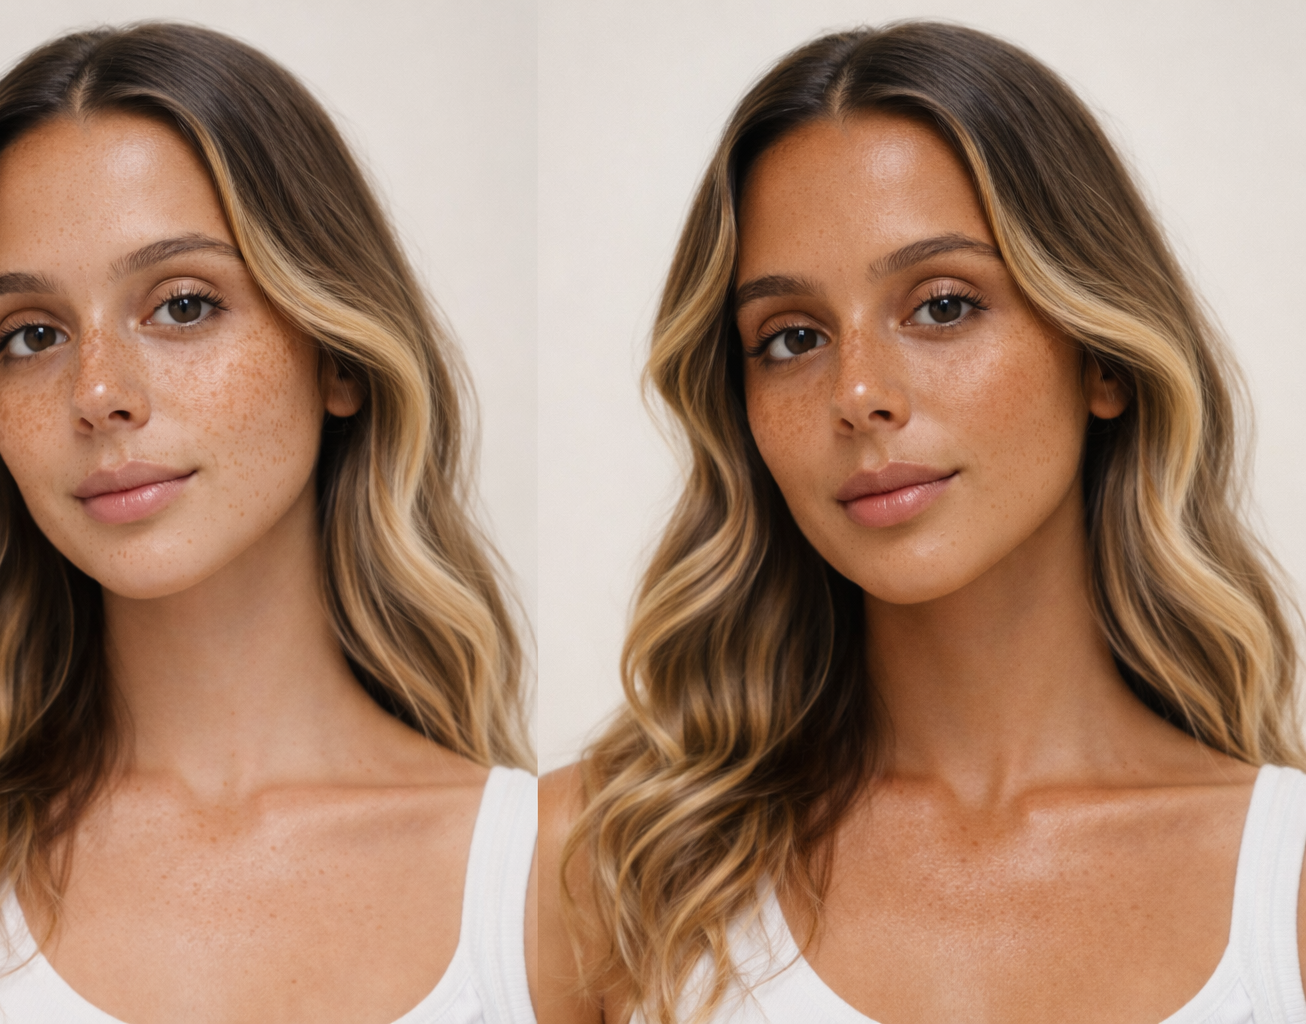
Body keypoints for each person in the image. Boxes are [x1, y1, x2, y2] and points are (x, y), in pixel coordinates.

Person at [533, 21, 1305, 1024]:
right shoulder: (606, 864)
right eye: (793, 337)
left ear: (1103, 357)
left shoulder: (1285, 891)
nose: (858, 392)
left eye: (942, 306)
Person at [0, 23, 536, 1024]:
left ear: (339, 354)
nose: (97, 392)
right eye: (31, 334)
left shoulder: (544, 879)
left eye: (181, 305)